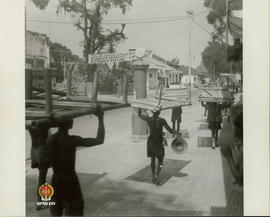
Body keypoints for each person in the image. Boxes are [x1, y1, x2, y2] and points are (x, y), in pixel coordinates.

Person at [48, 104, 105, 216]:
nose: (73, 121)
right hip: (70, 182)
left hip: (56, 181)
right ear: (69, 124)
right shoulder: (72, 140)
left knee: (55, 212)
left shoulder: (50, 140)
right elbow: (99, 140)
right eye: (71, 119)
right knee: (76, 212)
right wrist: (101, 118)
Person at [138, 108, 176, 185]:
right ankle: (156, 175)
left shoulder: (149, 119)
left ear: (152, 111)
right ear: (159, 112)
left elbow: (139, 115)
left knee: (152, 159)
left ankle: (153, 175)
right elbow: (170, 130)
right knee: (161, 161)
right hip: (158, 142)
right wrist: (177, 132)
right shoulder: (162, 120)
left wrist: (140, 107)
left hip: (151, 142)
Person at [27, 125, 51, 210]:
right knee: (42, 178)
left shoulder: (29, 124)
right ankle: (41, 202)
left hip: (34, 151)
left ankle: (40, 202)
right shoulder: (44, 123)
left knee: (41, 178)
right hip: (42, 151)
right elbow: (50, 137)